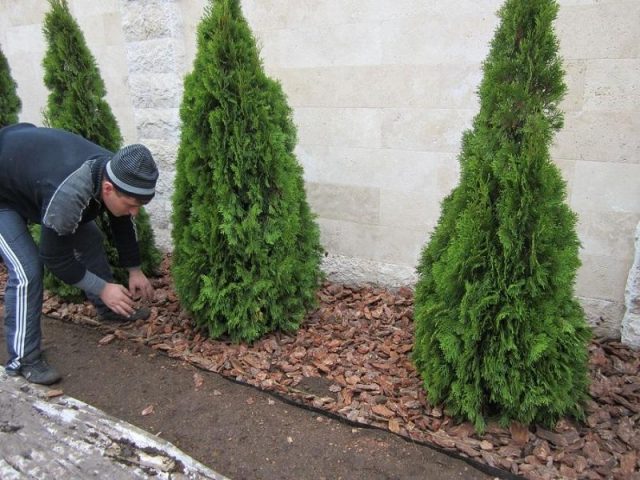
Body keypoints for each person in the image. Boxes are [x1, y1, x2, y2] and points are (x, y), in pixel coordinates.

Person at [0, 123, 159, 385]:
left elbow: (122, 221)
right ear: (107, 189)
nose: (134, 212)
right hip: (4, 195)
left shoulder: (116, 170)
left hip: (28, 170)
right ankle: (24, 360)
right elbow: (55, 258)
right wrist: (104, 287)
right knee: (27, 271)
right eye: (131, 205)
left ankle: (107, 311)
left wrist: (134, 269)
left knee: (91, 237)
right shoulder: (69, 193)